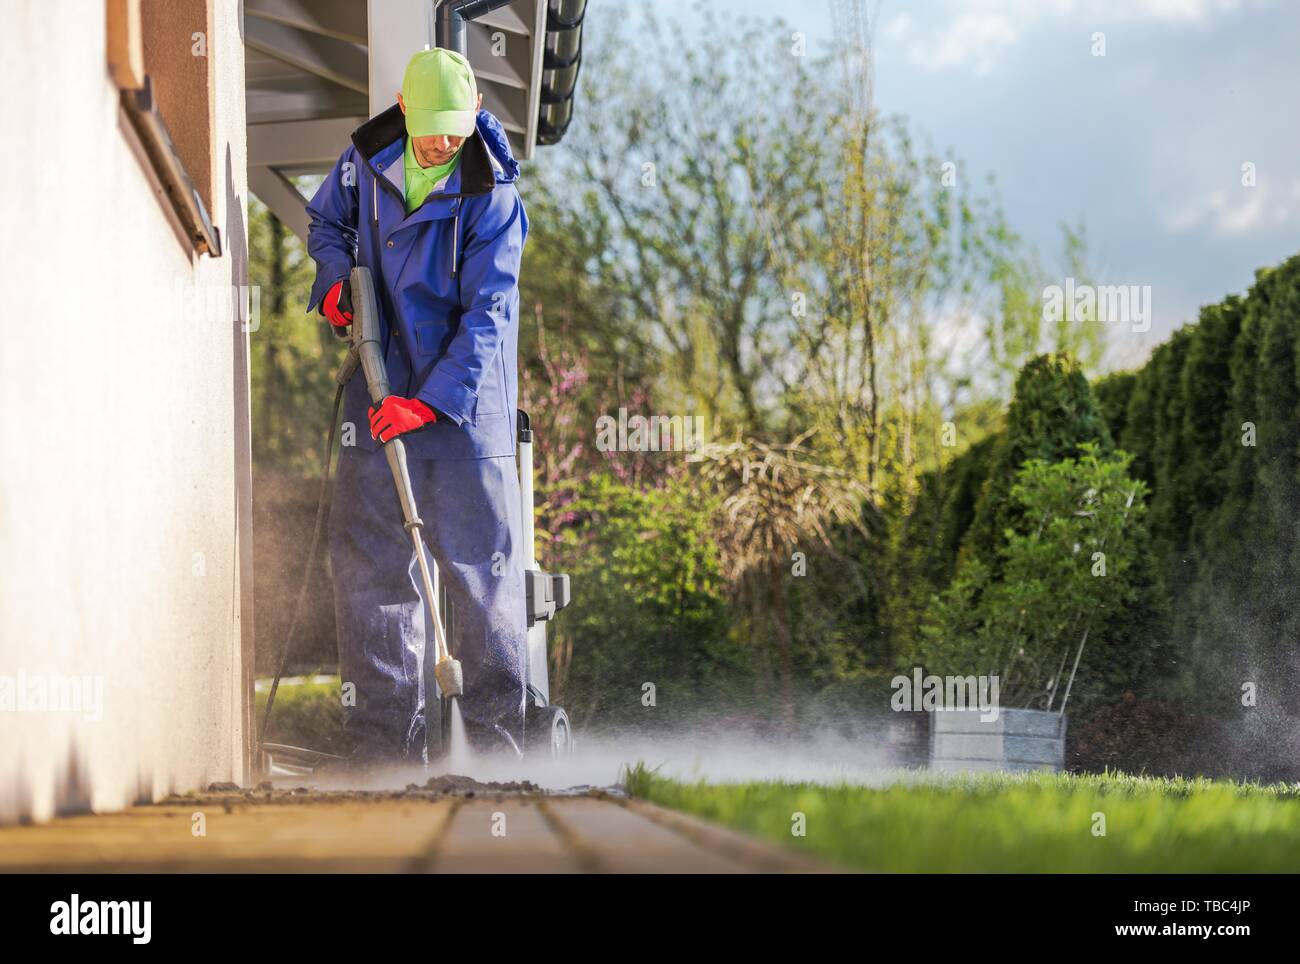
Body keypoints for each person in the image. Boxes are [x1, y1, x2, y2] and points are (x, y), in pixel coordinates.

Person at [304, 47, 529, 762]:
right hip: (377, 397)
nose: (443, 141)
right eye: (432, 127)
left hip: (460, 414)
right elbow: (326, 228)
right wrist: (335, 283)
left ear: (475, 117)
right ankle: (381, 758)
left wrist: (430, 403)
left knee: (477, 575)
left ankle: (498, 758)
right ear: (403, 111)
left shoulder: (491, 195)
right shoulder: (360, 166)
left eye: (456, 128)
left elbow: (489, 314)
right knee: (373, 576)